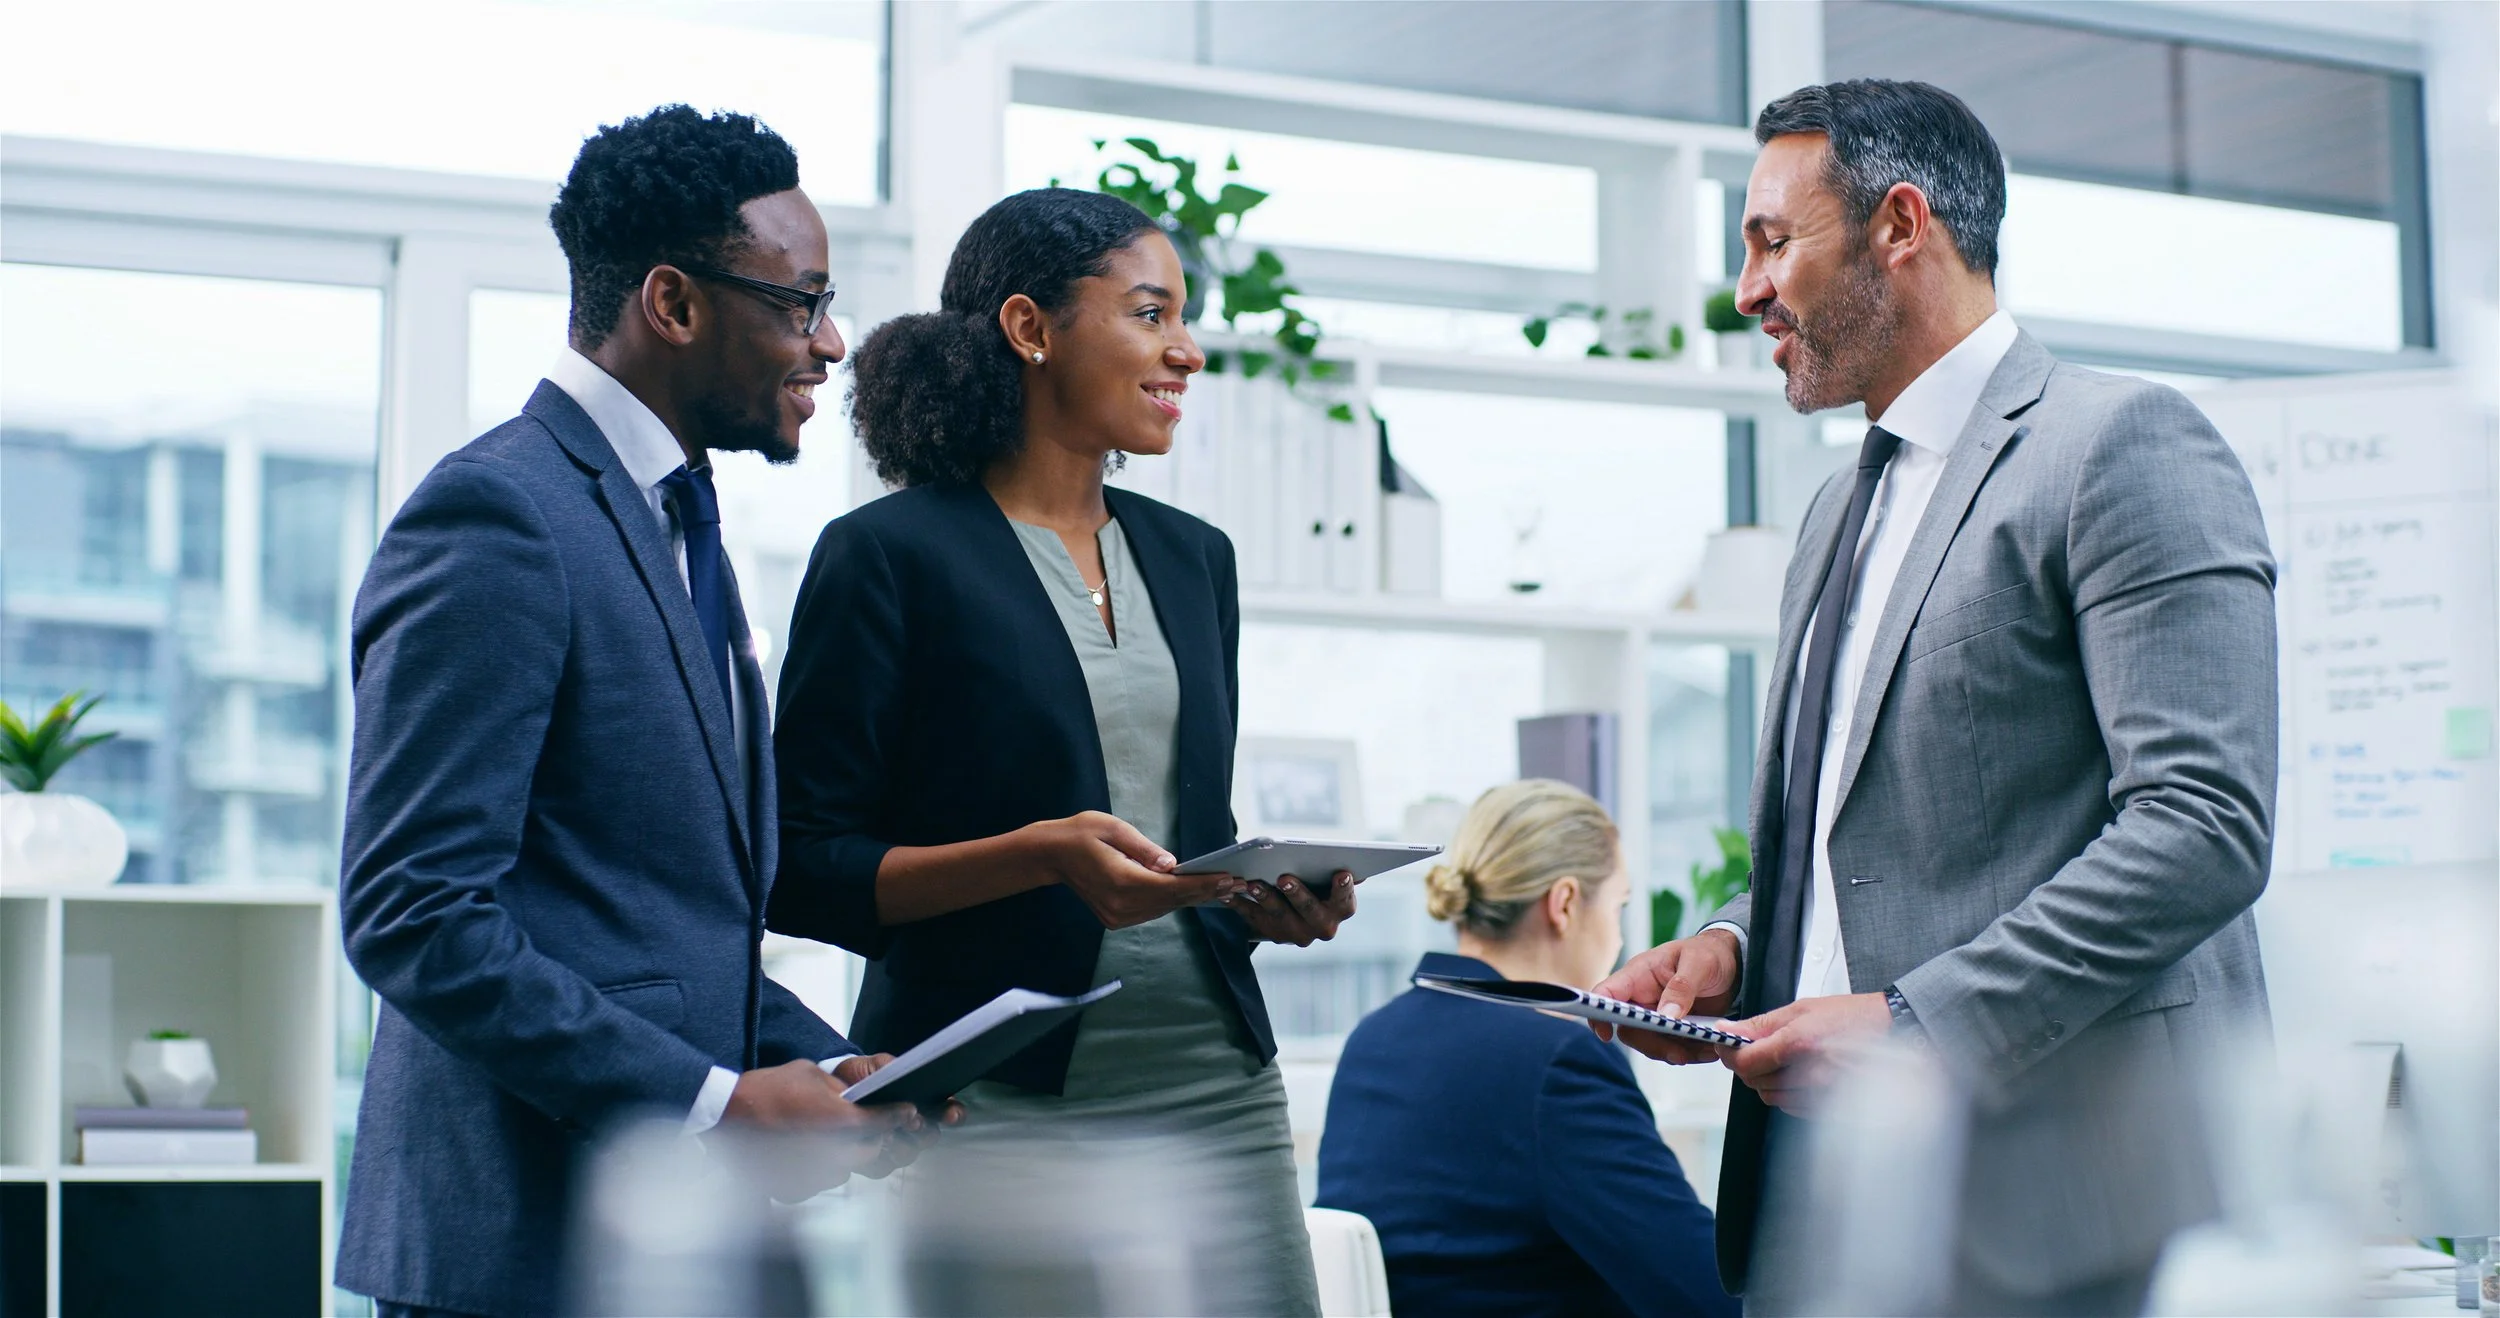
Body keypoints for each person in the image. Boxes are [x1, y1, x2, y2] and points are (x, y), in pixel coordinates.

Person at [1594, 79, 2277, 1316]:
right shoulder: (1832, 511)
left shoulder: (2120, 445)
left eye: (1769, 242)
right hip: (1834, 1198)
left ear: (1900, 225)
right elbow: (1874, 833)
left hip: (2065, 1196)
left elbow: (2200, 827)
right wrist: (1734, 947)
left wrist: (1915, 1020)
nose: (1747, 291)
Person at [336, 107, 932, 1318]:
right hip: (522, 1248)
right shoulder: (498, 518)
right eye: (800, 301)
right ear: (673, 302)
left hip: (667, 1247)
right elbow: (414, 913)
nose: (829, 344)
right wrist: (713, 1103)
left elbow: (652, 920)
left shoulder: (676, 521)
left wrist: (817, 1063)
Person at [768, 187, 1352, 1315]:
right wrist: (1036, 855)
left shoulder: (1194, 560)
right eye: (1149, 313)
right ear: (1031, 328)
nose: (1184, 349)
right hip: (990, 1097)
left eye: (1184, 317)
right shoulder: (884, 556)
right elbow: (801, 863)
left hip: (1212, 1084)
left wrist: (1262, 892)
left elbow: (1171, 835)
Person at [1316, 780, 1737, 1318]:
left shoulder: (1374, 1038)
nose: (1619, 941)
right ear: (1564, 903)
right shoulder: (1557, 1061)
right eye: (1617, 907)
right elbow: (1704, 1293)